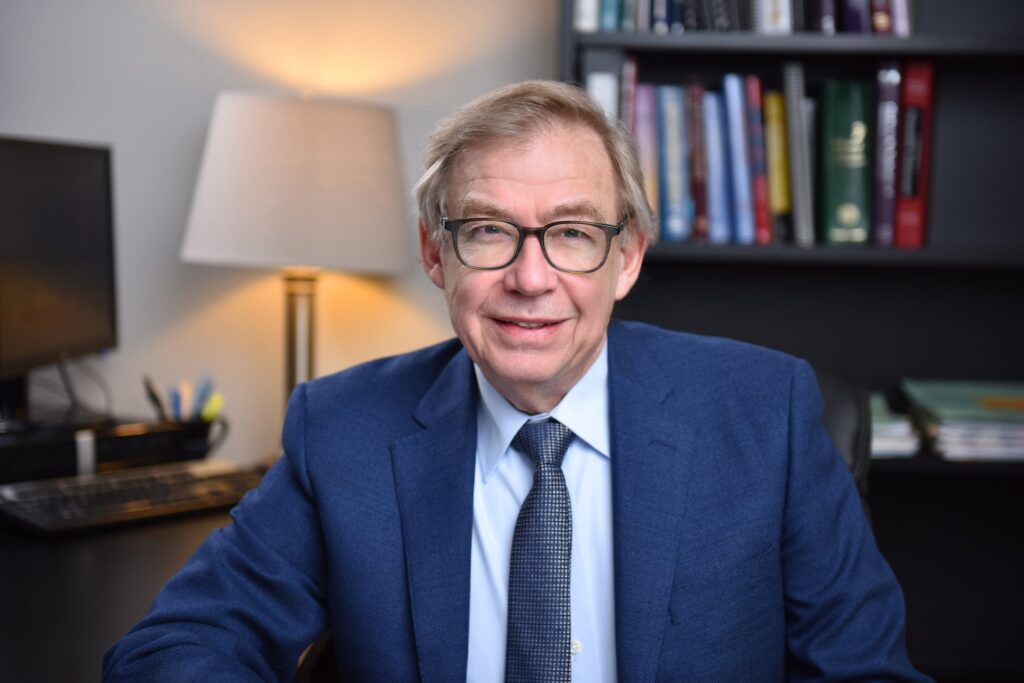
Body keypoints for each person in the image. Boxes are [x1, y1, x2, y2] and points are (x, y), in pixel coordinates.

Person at [104, 80, 929, 682]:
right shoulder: (344, 428)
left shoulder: (765, 413)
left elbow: (869, 671)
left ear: (627, 256)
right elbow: (175, 645)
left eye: (571, 233)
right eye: (489, 231)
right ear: (436, 254)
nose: (530, 279)